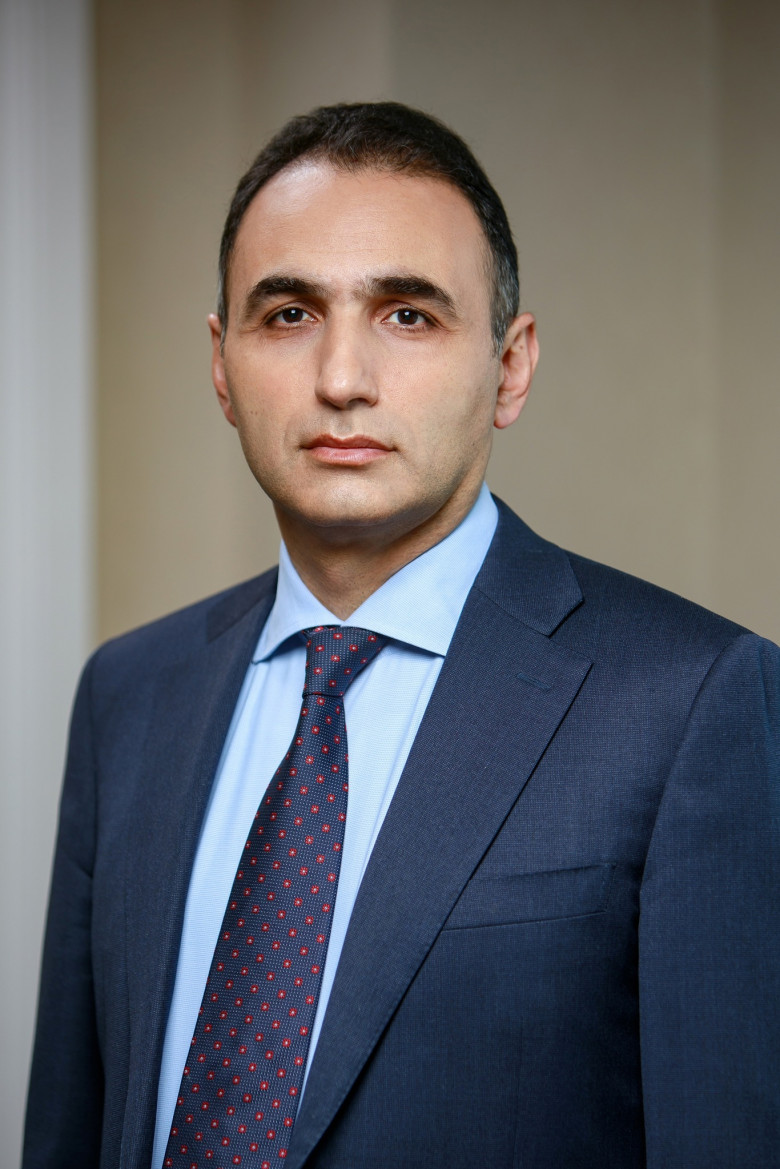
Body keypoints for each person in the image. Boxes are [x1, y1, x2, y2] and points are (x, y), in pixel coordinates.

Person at [24, 102, 779, 1169]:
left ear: (510, 367)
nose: (342, 378)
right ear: (222, 364)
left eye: (408, 315)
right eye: (289, 313)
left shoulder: (694, 701)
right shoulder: (128, 695)